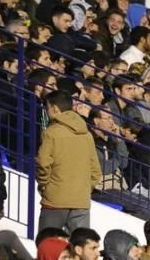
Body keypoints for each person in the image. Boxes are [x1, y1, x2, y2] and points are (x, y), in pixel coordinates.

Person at [35, 89, 102, 233]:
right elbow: (96, 170)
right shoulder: (87, 135)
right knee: (80, 247)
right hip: (81, 201)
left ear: (54, 108)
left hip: (55, 200)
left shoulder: (51, 133)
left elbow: (43, 163)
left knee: (48, 244)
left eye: (47, 108)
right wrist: (84, 189)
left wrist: (44, 185)